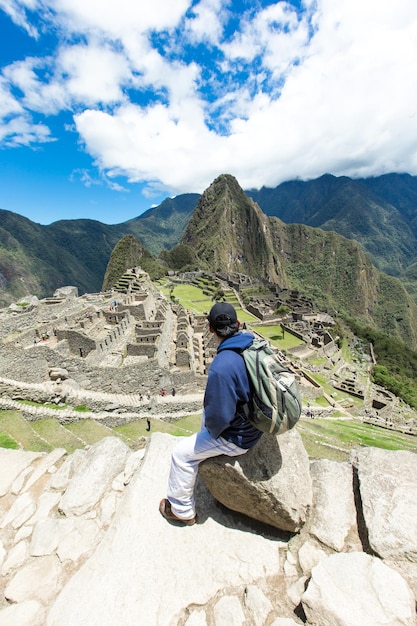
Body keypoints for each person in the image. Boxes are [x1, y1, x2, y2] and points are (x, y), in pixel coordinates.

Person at [159, 302, 263, 526]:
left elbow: (219, 418)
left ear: (211, 329)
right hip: (257, 422)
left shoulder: (222, 365)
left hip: (240, 436)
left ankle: (182, 511)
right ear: (237, 324)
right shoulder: (253, 345)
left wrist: (210, 433)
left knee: (181, 455)